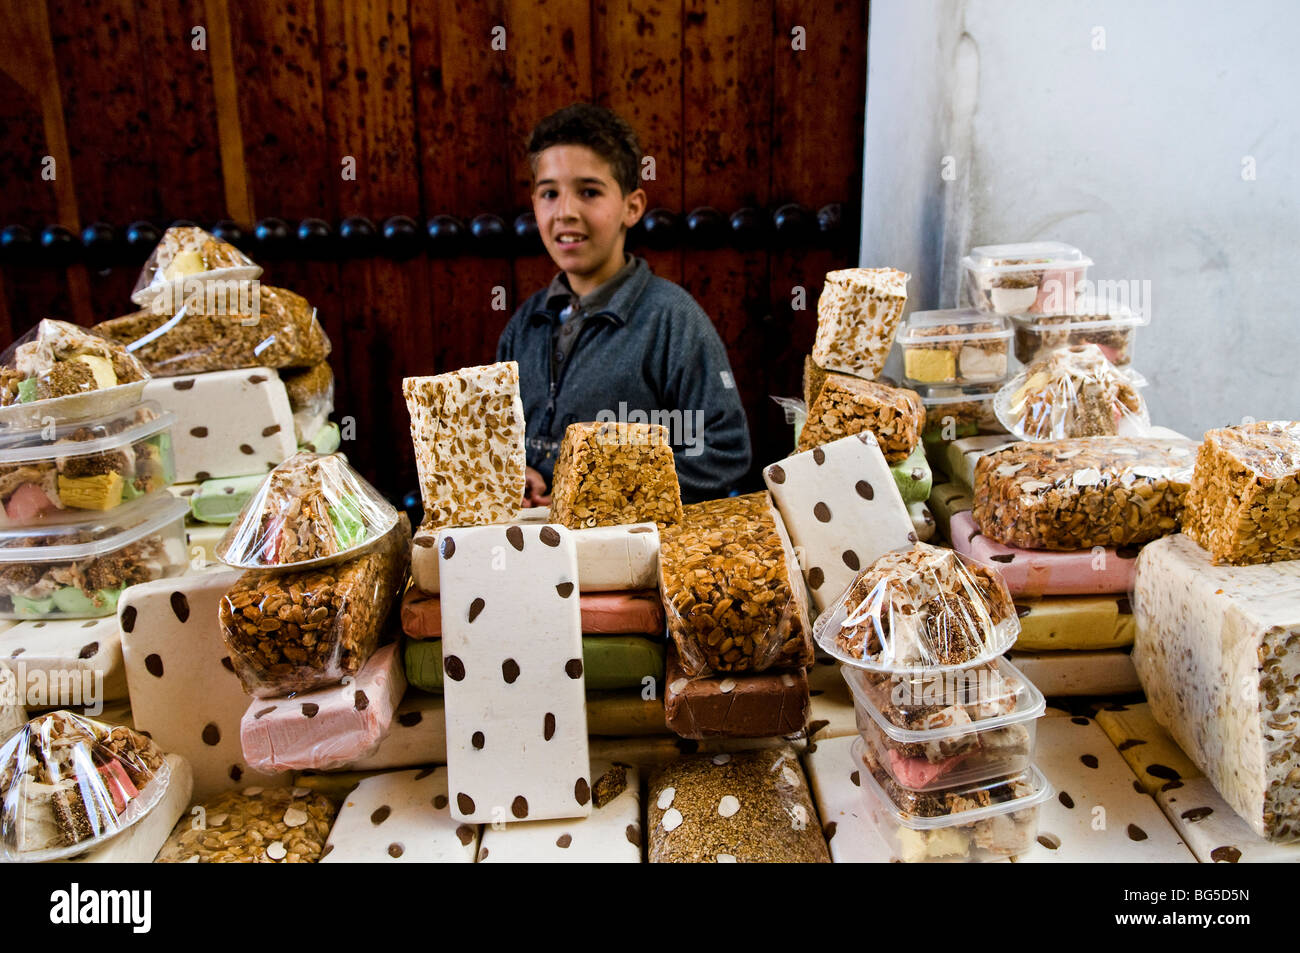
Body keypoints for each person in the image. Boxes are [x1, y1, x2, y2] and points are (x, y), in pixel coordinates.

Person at [496, 103, 752, 506]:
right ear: (534, 203)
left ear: (632, 207)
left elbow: (724, 452)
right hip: (534, 555)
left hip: (630, 560)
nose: (565, 212)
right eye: (549, 193)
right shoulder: (524, 324)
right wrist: (517, 474)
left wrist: (606, 492)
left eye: (589, 192)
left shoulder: (673, 320)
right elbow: (502, 443)